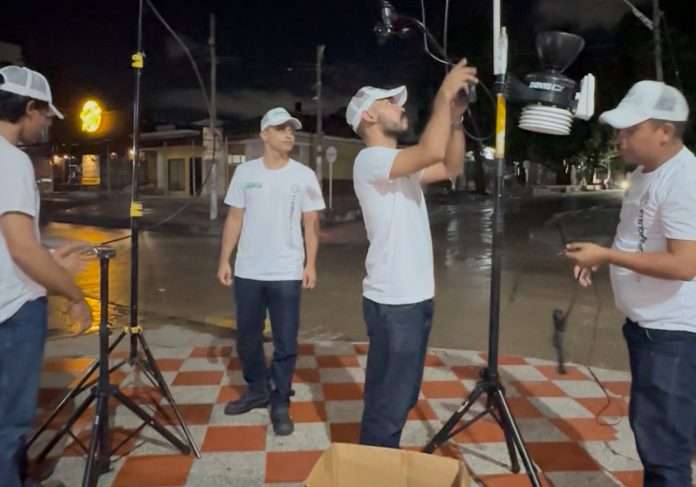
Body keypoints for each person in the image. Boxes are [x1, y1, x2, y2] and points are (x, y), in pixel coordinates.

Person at [566, 80, 695, 487]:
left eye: (631, 129)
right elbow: (638, 237)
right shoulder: (644, 174)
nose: (620, 138)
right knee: (660, 432)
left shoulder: (683, 180)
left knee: (664, 448)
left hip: (672, 331)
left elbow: (685, 265)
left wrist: (606, 256)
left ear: (665, 131)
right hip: (648, 327)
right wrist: (603, 256)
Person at [346, 59, 478, 448]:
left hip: (412, 299)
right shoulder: (370, 160)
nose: (399, 107)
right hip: (395, 302)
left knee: (397, 397)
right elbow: (431, 148)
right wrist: (443, 96)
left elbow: (450, 166)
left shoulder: (400, 165)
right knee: (389, 403)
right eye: (390, 102)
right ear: (369, 116)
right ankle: (375, 465)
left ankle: (378, 459)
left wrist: (455, 120)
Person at [0, 66, 92, 487]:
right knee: (9, 423)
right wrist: (74, 295)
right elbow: (22, 249)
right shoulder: (12, 160)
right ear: (29, 108)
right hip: (12, 312)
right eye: (46, 115)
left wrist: (50, 259)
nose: (48, 124)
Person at [217, 107, 325, 436]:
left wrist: (310, 263)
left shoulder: (304, 175)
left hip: (286, 271)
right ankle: (257, 390)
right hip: (248, 270)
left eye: (291, 128)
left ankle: (280, 400)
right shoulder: (245, 172)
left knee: (285, 341)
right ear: (264, 134)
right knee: (247, 337)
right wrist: (224, 259)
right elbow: (234, 218)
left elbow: (311, 222)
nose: (289, 134)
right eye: (281, 128)